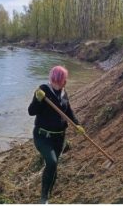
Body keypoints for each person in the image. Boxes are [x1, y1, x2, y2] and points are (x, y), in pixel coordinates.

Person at [28, 66, 84, 204]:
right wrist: (37, 99)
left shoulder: (64, 93)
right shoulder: (43, 91)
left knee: (54, 166)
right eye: (57, 81)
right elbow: (31, 111)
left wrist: (77, 124)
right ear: (53, 79)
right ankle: (44, 198)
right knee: (52, 162)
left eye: (62, 81)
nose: (60, 84)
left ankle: (48, 193)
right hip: (43, 136)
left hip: (59, 138)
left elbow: (68, 111)